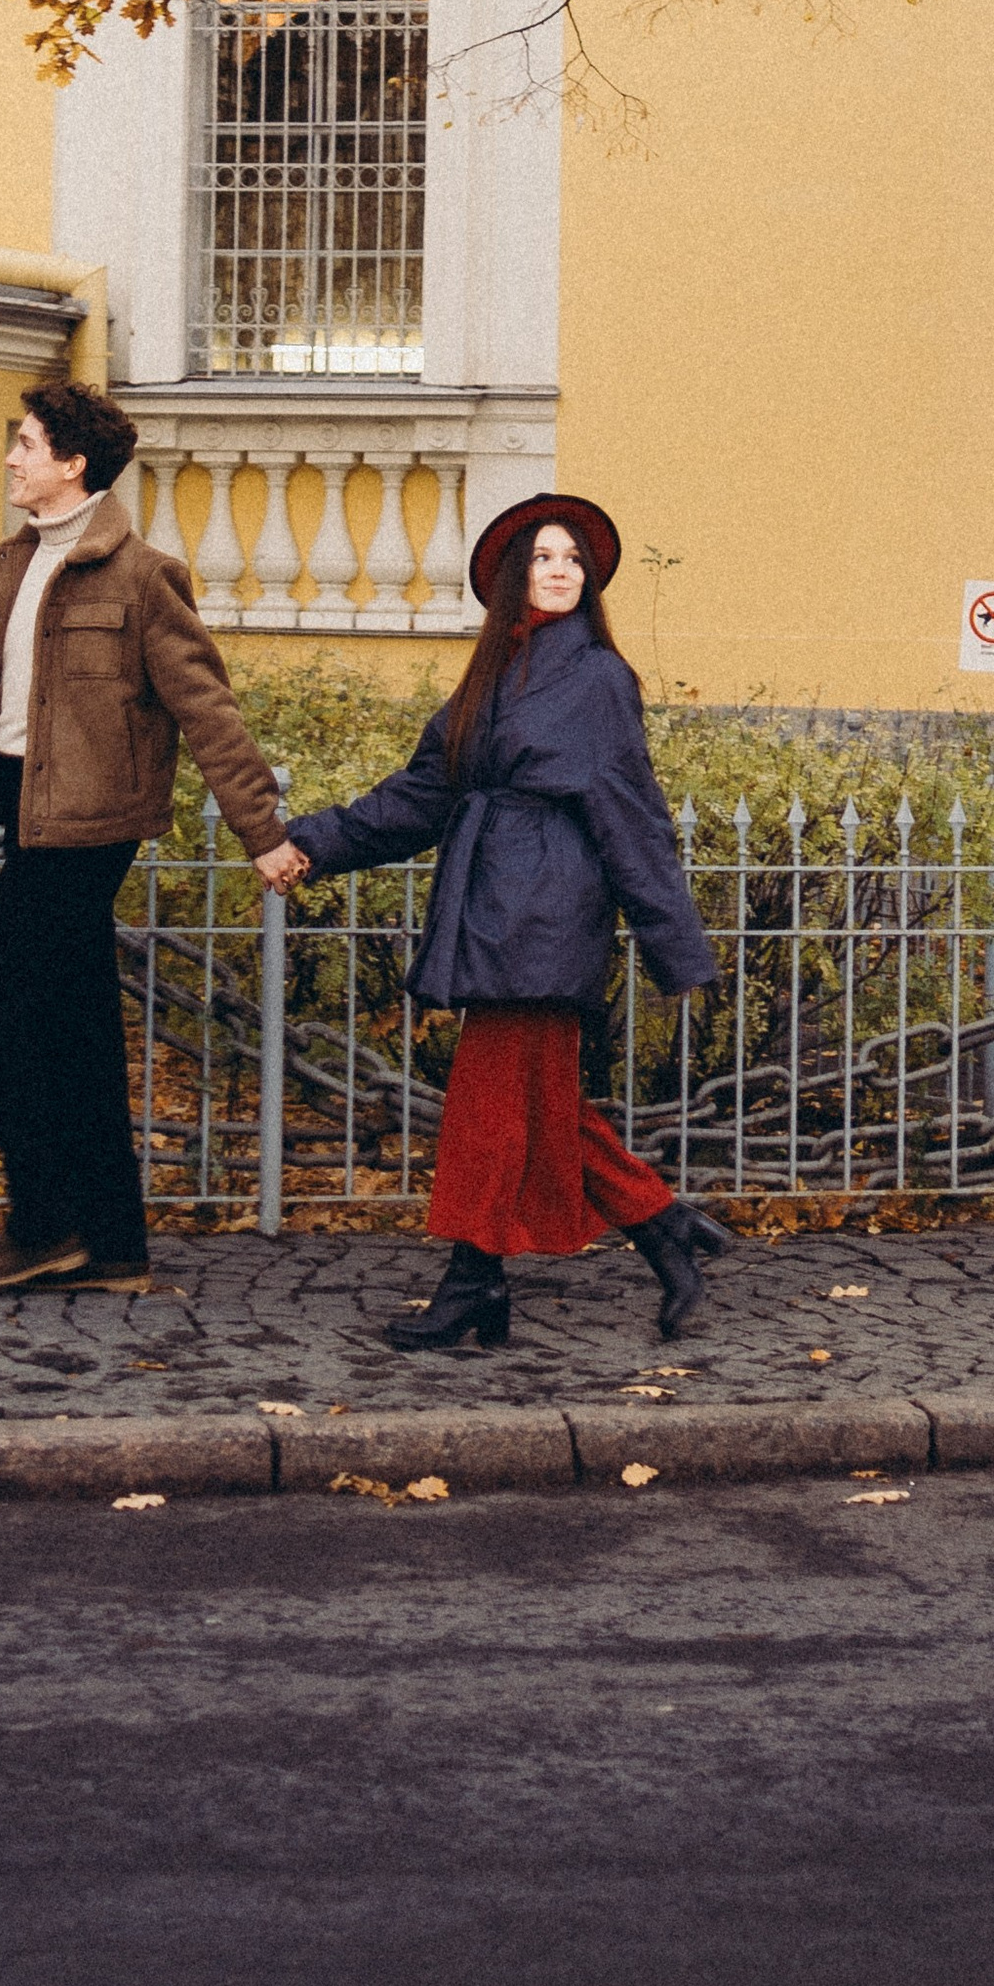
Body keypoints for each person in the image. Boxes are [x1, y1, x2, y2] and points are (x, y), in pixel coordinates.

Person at [262, 496, 727, 1351]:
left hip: (546, 911)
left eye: (573, 561)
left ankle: (472, 1282)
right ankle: (664, 1231)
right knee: (537, 1103)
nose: (559, 570)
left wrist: (675, 942)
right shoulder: (493, 676)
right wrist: (310, 844)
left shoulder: (596, 677)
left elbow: (630, 811)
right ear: (515, 576)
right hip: (495, 906)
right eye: (544, 557)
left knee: (488, 1105)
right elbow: (420, 796)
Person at [0, 380, 296, 1296]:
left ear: (72, 465)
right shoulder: (10, 565)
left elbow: (207, 708)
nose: (10, 457)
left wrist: (263, 833)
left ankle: (45, 1223)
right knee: (77, 1029)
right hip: (19, 806)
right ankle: (114, 1242)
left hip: (89, 827)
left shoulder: (138, 574)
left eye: (26, 444)